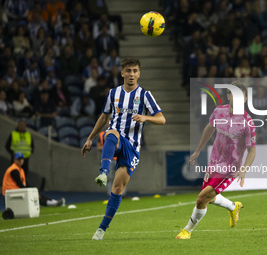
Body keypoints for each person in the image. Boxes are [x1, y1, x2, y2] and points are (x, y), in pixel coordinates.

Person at [81, 58, 166, 240]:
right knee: (111, 133)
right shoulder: (113, 93)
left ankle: (101, 230)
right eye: (128, 71)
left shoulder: (144, 95)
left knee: (118, 188)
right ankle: (103, 172)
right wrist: (90, 138)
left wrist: (146, 118)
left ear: (139, 73)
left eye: (135, 71)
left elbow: (161, 118)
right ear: (122, 73)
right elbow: (104, 118)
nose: (131, 74)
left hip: (133, 147)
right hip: (116, 137)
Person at [176, 81, 256, 239]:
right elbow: (209, 128)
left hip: (230, 168)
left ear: (246, 99)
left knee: (201, 198)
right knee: (209, 197)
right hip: (214, 163)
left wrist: (243, 170)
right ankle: (233, 207)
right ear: (228, 96)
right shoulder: (219, 111)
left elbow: (251, 151)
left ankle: (187, 230)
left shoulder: (247, 123)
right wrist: (198, 150)